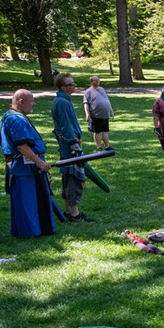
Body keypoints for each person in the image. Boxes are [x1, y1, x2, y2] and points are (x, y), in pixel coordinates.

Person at [0, 89, 55, 237]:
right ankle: (30, 232)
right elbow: (22, 146)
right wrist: (39, 163)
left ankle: (39, 229)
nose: (34, 104)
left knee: (37, 198)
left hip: (28, 166)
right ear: (21, 101)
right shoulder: (15, 119)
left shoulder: (13, 116)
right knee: (28, 201)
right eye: (32, 101)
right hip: (25, 167)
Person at [52, 73, 94, 222]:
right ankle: (75, 214)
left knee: (69, 175)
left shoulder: (63, 100)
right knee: (75, 177)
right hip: (70, 145)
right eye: (71, 84)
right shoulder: (61, 102)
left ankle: (68, 211)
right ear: (63, 87)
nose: (74, 86)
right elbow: (65, 125)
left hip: (69, 143)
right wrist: (74, 145)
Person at [83, 75, 115, 152]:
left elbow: (107, 100)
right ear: (91, 82)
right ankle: (98, 147)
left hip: (105, 115)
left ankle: (107, 147)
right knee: (98, 132)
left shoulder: (102, 89)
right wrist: (87, 114)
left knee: (105, 131)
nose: (97, 81)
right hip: (95, 115)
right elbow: (86, 103)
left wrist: (111, 111)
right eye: (95, 80)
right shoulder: (88, 92)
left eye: (98, 80)